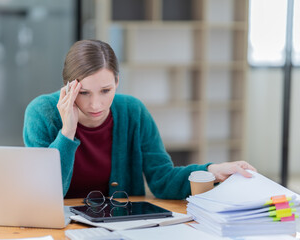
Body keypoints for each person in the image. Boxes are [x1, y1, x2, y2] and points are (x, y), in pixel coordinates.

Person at [23, 39, 256, 199]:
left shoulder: (133, 111)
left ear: (117, 82)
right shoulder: (42, 113)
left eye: (105, 91)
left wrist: (213, 170)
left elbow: (163, 179)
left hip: (122, 227)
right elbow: (46, 195)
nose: (96, 105)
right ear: (68, 87)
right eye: (84, 93)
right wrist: (67, 132)